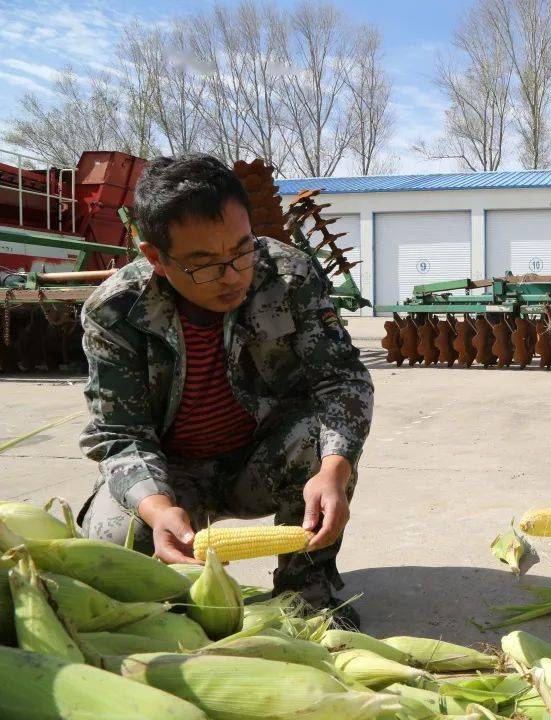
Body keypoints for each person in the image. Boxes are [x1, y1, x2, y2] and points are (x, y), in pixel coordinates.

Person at [77, 154, 373, 627]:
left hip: (260, 459)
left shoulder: (288, 274)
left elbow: (342, 380)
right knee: (115, 539)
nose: (233, 275)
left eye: (241, 250)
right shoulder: (114, 313)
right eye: (204, 265)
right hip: (173, 473)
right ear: (155, 256)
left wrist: (334, 471)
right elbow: (120, 435)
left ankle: (306, 590)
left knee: (322, 445)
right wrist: (157, 511)